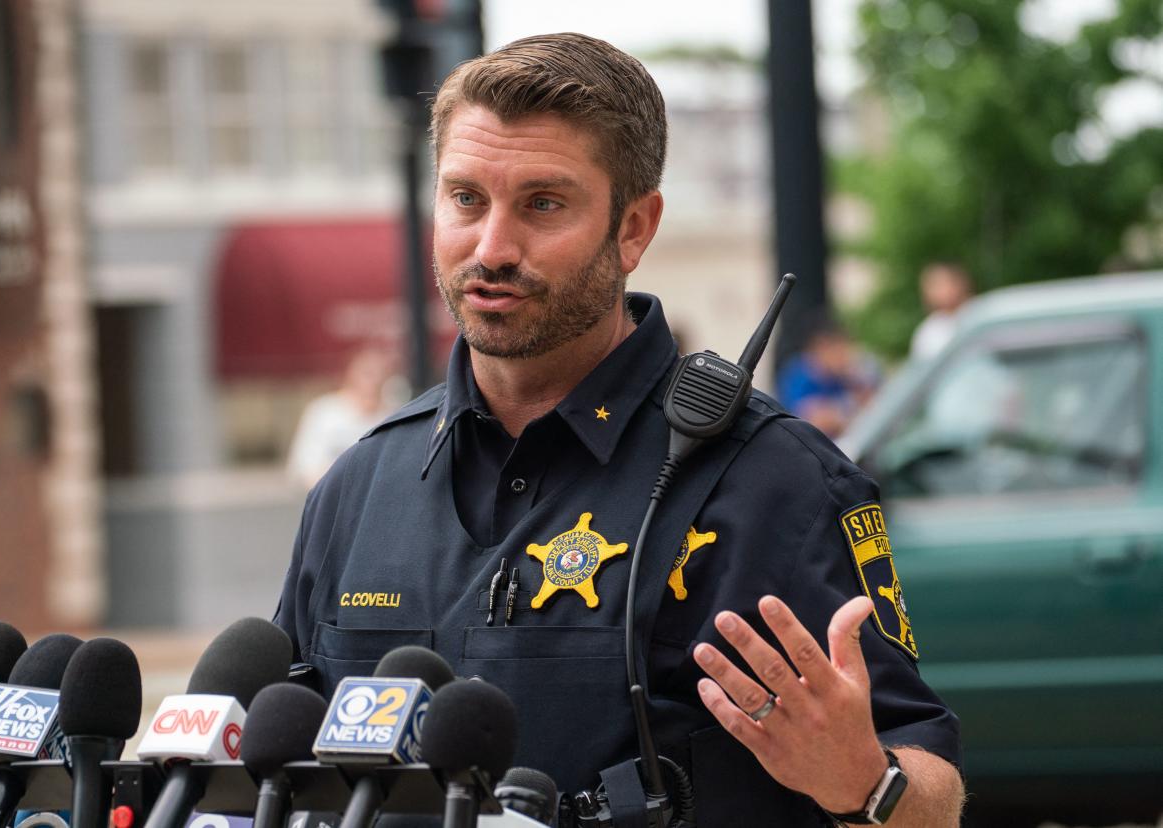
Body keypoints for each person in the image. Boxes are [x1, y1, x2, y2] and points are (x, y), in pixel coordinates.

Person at [274, 33, 962, 825]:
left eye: (542, 204)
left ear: (634, 228)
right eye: (466, 199)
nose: (492, 247)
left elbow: (932, 801)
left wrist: (862, 783)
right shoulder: (359, 486)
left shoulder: (774, 482)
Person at [286, 348, 399, 488]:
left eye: (382, 375)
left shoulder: (392, 415)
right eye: (368, 374)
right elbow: (305, 467)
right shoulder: (325, 412)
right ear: (350, 375)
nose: (375, 381)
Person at [777, 313, 879, 438]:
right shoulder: (800, 377)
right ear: (822, 347)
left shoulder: (845, 373)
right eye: (839, 348)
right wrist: (849, 411)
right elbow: (818, 422)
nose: (844, 354)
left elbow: (874, 399)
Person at [910, 262, 973, 361]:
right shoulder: (929, 331)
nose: (937, 291)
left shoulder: (980, 315)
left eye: (941, 283)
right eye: (932, 286)